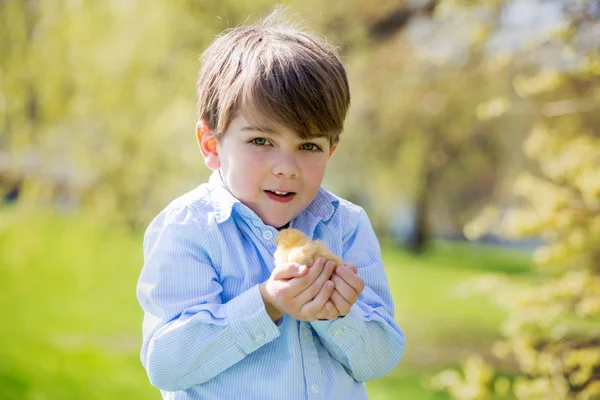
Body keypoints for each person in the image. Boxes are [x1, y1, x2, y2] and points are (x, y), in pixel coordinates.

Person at [136, 9, 406, 400]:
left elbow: (379, 360)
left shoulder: (345, 225)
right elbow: (167, 364)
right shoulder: (190, 227)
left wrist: (338, 316)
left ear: (331, 152)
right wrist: (266, 304)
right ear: (212, 145)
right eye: (261, 141)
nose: (286, 167)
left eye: (308, 146)